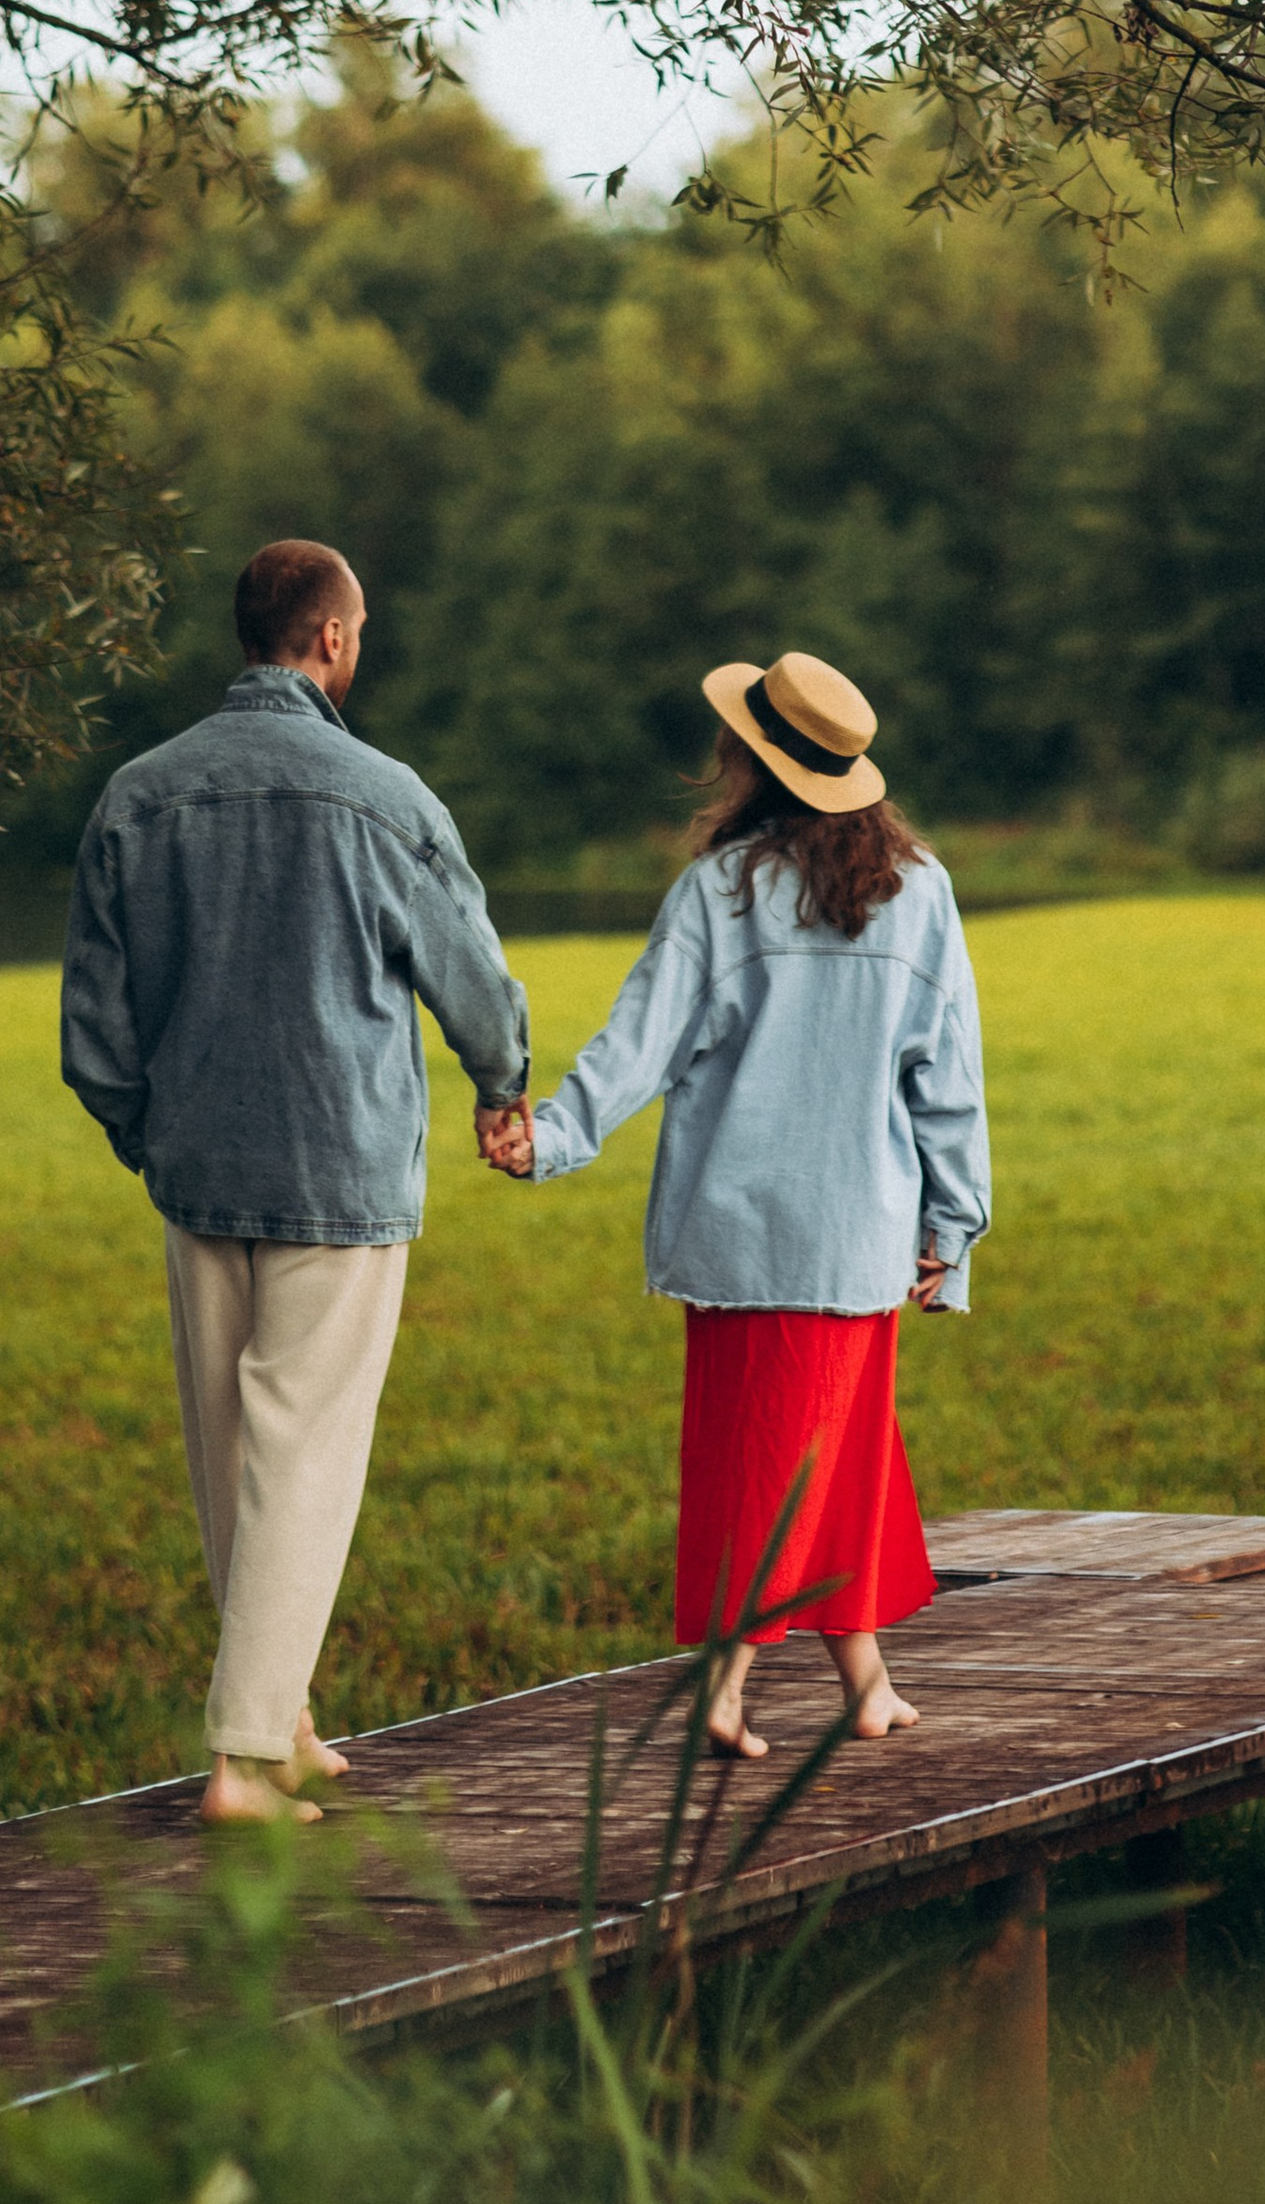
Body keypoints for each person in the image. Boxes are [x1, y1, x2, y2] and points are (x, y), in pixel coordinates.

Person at [61, 538, 534, 1824]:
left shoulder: (138, 795)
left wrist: (149, 1136)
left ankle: (287, 1717)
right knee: (304, 1453)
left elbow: (94, 1033)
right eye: (360, 628)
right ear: (329, 639)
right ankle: (242, 1760)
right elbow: (474, 979)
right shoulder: (385, 796)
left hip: (200, 1167)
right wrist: (503, 1086)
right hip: (340, 1167)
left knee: (232, 1454)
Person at [513, 652, 989, 1756]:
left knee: (773, 1464)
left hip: (743, 1239)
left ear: (751, 762)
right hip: (862, 1236)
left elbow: (640, 1046)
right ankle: (864, 1685)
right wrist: (949, 1230)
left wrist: (551, 1138)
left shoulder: (722, 894)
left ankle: (721, 1690)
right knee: (836, 1459)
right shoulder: (923, 893)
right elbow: (948, 1077)